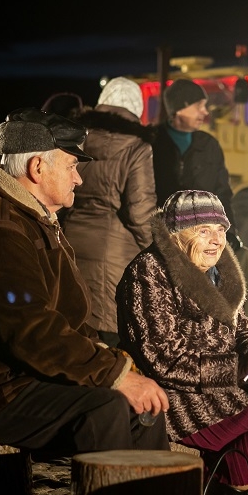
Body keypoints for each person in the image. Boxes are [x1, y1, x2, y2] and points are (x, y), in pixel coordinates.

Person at [0, 107, 170, 459]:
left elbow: (68, 322)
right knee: (104, 408)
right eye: (71, 166)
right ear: (38, 167)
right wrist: (114, 375)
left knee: (144, 408)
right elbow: (32, 329)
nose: (79, 179)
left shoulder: (34, 219)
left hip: (23, 377)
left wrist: (114, 365)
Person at [117, 189, 248, 495]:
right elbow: (163, 358)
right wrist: (239, 368)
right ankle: (231, 491)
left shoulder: (216, 273)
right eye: (204, 230)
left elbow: (246, 328)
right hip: (181, 393)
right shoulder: (149, 272)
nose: (216, 240)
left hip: (223, 385)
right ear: (178, 234)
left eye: (221, 230)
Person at [151, 79, 248, 332]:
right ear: (179, 108)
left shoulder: (209, 145)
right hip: (172, 234)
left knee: (243, 258)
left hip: (206, 230)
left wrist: (230, 232)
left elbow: (223, 192)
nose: (205, 112)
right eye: (199, 106)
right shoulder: (153, 143)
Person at [56, 76, 157, 347]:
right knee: (112, 339)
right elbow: (140, 212)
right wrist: (160, 251)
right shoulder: (137, 148)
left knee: (76, 328)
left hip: (72, 242)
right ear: (136, 109)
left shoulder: (76, 140)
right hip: (115, 253)